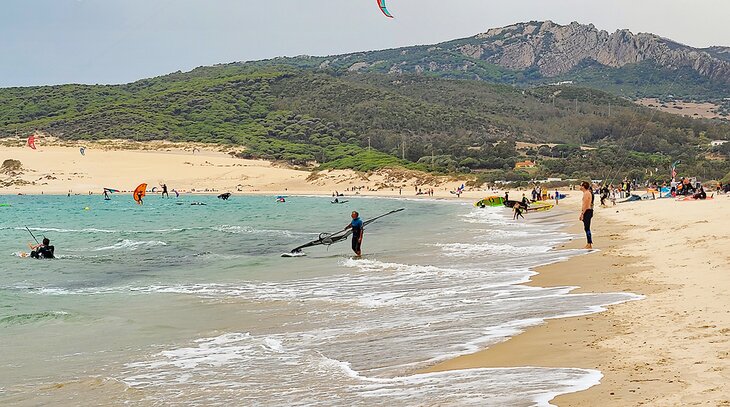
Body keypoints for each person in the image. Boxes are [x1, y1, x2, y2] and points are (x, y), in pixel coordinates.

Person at [579, 181, 594, 249]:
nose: (580, 187)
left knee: (587, 228)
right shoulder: (587, 193)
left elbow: (586, 205)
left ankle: (589, 243)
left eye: (580, 185)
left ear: (583, 186)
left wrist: (582, 213)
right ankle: (589, 243)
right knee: (586, 228)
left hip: (587, 211)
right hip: (588, 211)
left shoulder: (586, 193)